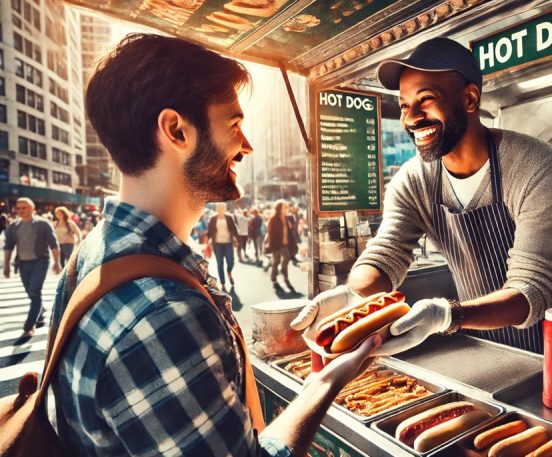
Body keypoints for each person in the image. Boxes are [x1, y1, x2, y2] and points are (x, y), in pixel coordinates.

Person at [48, 34, 380, 456]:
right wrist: (327, 381)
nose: (247, 146)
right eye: (234, 124)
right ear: (176, 130)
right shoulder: (162, 311)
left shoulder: (91, 255)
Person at [293, 37, 552, 356]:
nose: (411, 117)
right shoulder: (413, 180)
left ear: (469, 99)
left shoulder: (538, 166)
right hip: (481, 343)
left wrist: (449, 315)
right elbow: (385, 255)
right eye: (403, 105)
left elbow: (532, 291)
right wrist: (354, 296)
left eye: (425, 99)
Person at [3, 197, 61, 337]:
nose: (21, 210)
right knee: (31, 292)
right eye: (19, 208)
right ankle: (40, 313)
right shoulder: (14, 226)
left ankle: (29, 326)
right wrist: (6, 265)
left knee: (34, 292)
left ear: (32, 208)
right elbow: (8, 247)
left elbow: (54, 243)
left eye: (24, 207)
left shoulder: (43, 224)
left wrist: (57, 262)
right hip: (22, 264)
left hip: (40, 262)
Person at [207, 202, 239, 290]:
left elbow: (234, 228)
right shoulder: (213, 218)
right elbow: (209, 231)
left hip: (228, 243)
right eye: (219, 208)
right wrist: (209, 241)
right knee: (220, 264)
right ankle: (223, 283)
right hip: (217, 244)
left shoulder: (229, 217)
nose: (221, 210)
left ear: (225, 209)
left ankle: (229, 272)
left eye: (223, 208)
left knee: (230, 261)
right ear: (217, 209)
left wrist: (236, 239)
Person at [266, 199, 295, 292]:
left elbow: (290, 232)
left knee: (286, 257)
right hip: (276, 245)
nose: (287, 209)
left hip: (285, 244)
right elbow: (271, 234)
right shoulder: (273, 219)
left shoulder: (287, 218)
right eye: (285, 207)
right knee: (276, 261)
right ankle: (274, 280)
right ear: (279, 209)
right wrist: (272, 246)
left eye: (287, 207)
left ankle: (284, 274)